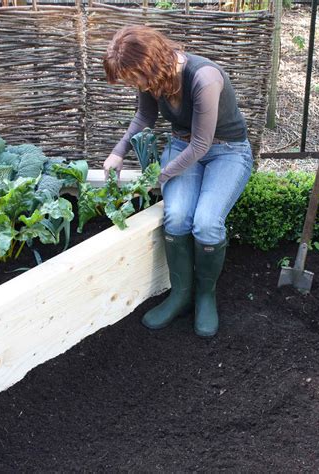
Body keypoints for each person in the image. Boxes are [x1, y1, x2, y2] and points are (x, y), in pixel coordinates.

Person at [102, 25, 253, 337]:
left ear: (153, 63)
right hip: (182, 146)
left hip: (227, 151)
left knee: (207, 223)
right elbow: (144, 118)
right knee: (178, 217)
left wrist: (158, 177)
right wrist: (118, 152)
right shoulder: (151, 80)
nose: (134, 84)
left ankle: (205, 295)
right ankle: (181, 295)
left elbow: (202, 144)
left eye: (134, 78)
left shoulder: (203, 77)